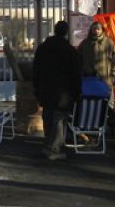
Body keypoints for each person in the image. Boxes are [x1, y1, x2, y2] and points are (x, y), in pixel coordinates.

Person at [32, 21, 82, 160]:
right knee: (59, 119)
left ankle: (48, 145)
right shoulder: (70, 51)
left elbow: (36, 69)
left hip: (46, 89)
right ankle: (55, 149)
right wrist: (77, 91)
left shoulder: (43, 48)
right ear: (66, 32)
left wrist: (37, 88)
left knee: (47, 116)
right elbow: (76, 74)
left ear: (54, 30)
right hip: (64, 91)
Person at [77, 22, 115, 138]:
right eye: (94, 29)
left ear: (102, 30)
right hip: (89, 80)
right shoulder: (85, 43)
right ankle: (91, 128)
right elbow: (78, 59)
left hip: (105, 80)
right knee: (91, 104)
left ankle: (113, 128)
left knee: (109, 105)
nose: (96, 31)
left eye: (98, 29)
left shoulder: (109, 42)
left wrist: (112, 76)